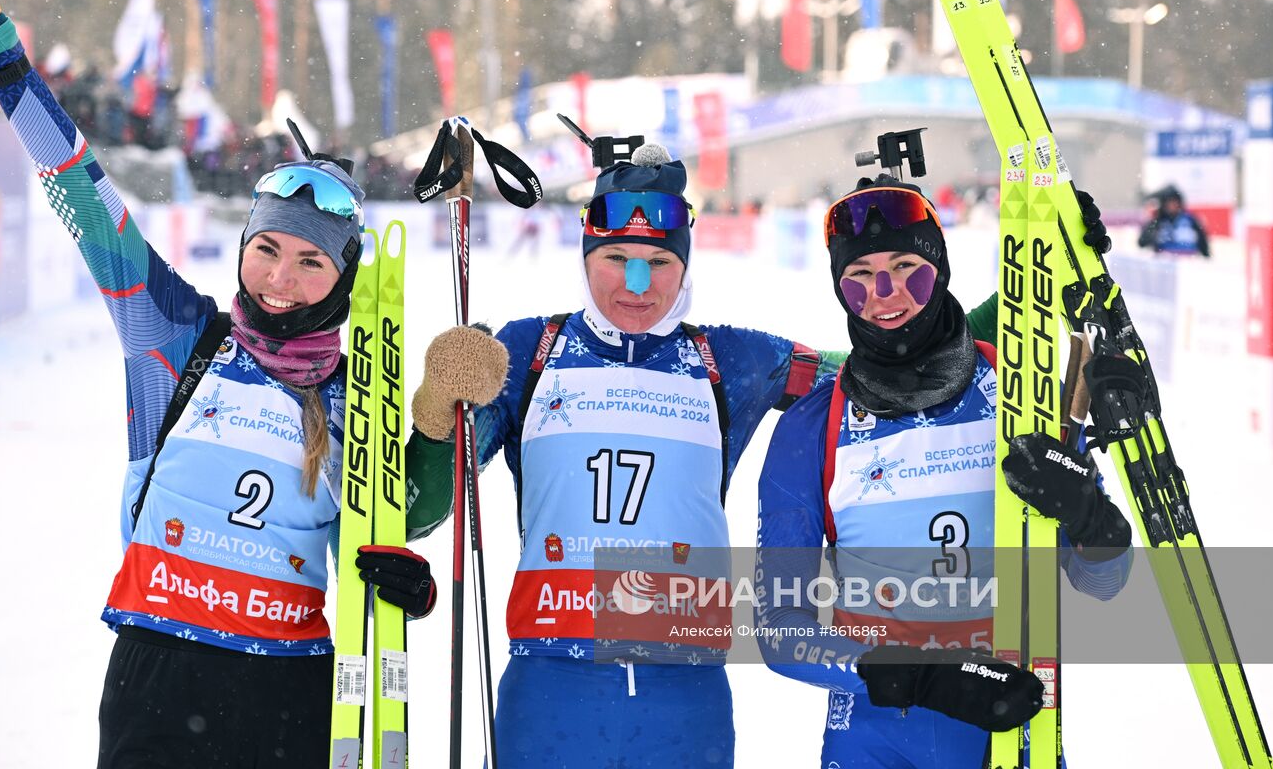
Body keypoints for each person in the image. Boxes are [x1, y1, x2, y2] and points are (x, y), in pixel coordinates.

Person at [0, 0, 437, 767]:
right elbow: (85, 199)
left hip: (293, 689)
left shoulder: (361, 395)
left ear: (343, 283)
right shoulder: (172, 337)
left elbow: (389, 521)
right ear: (243, 247)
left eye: (312, 263)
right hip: (159, 675)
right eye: (268, 249)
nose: (281, 278)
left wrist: (401, 586)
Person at [400, 136, 1018, 768]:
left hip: (685, 696)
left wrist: (1021, 295)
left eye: (660, 262)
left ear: (686, 263)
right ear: (586, 255)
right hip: (552, 686)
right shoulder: (527, 350)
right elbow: (418, 514)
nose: (636, 283)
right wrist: (434, 413)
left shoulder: (732, 360)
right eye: (615, 257)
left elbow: (888, 354)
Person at [754, 175, 1134, 768]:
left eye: (906, 265)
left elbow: (1103, 580)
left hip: (1011, 737)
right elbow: (780, 630)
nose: (884, 292)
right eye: (858, 275)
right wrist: (924, 678)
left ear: (940, 264)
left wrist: (1091, 515)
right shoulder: (812, 428)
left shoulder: (1019, 391)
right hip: (874, 743)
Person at [1138, 184, 1210, 257]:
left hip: (1188, 261)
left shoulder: (1190, 220)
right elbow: (1142, 242)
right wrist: (1154, 234)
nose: (1172, 205)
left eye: (1174, 202)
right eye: (1169, 202)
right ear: (1164, 204)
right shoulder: (1157, 221)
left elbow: (1203, 241)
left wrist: (1206, 256)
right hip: (1164, 261)